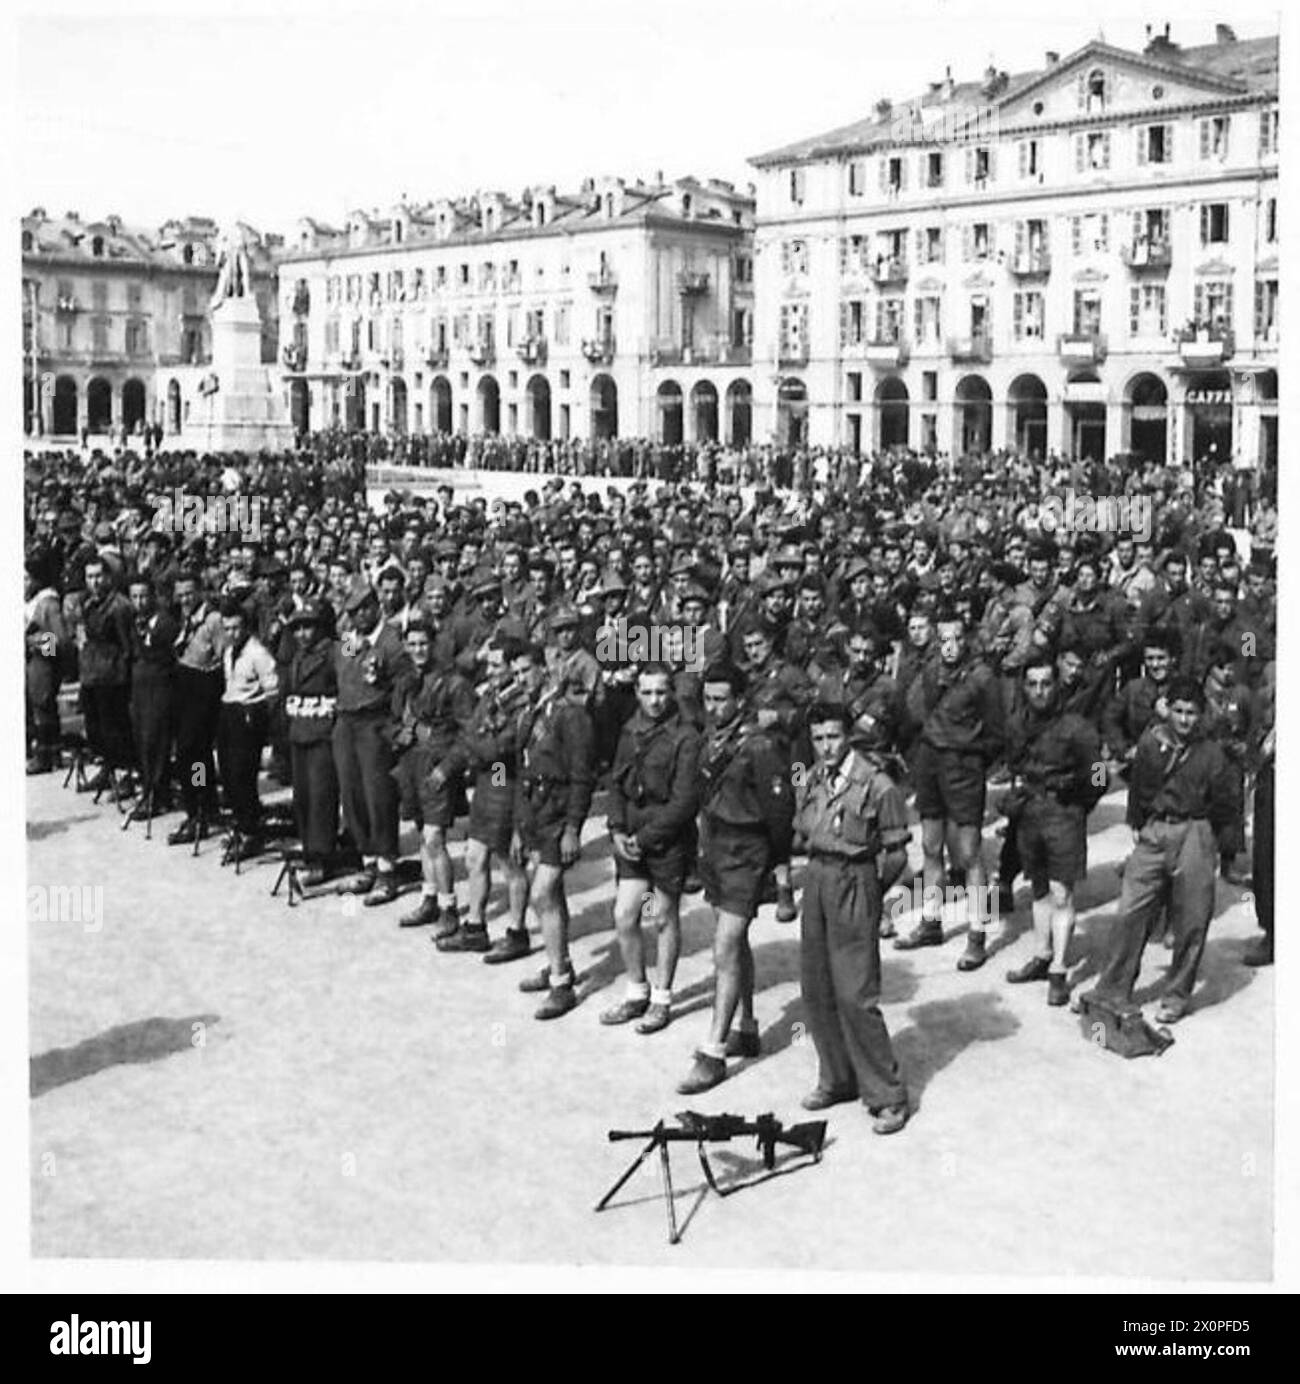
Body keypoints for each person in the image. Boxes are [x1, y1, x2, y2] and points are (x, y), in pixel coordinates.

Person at [1080, 677, 1238, 1025]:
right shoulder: (1152, 742)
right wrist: (1136, 823)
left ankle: (1176, 994)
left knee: (1192, 919)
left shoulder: (1213, 752)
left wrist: (1221, 847)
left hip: (1195, 830)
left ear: (1201, 715)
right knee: (1129, 911)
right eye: (1178, 711)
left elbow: (1228, 801)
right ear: (1169, 710)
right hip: (1155, 829)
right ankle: (1111, 988)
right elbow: (1139, 786)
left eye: (1192, 713)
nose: (1184, 720)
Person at [677, 662, 795, 1095]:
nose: (713, 707)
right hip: (717, 850)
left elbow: (782, 813)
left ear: (740, 700)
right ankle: (746, 1025)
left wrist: (778, 868)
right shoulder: (711, 739)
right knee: (736, 944)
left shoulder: (760, 747)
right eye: (708, 699)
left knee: (724, 945)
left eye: (721, 699)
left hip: (748, 852)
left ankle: (712, 1053)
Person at [794, 701, 910, 1134]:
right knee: (817, 988)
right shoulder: (812, 779)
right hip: (818, 879)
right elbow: (803, 830)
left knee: (856, 994)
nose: (826, 746)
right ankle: (837, 1077)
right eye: (819, 738)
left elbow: (897, 854)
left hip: (855, 879)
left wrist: (872, 895)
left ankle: (887, 1094)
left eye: (834, 737)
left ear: (848, 736)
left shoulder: (878, 785)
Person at [895, 615, 1004, 969]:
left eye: (957, 638)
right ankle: (930, 921)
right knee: (929, 845)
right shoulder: (929, 671)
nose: (951, 646)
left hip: (964, 765)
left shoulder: (983, 677)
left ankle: (978, 933)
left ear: (967, 638)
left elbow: (998, 730)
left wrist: (971, 756)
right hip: (930, 761)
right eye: (944, 639)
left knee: (970, 853)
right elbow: (915, 713)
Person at [1000, 657, 1107, 1006]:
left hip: (1063, 814)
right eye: (1032, 684)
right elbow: (1013, 762)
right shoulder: (1017, 724)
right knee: (1039, 889)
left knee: (1062, 894)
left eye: (1046, 683)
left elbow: (1099, 775)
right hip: (1030, 813)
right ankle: (1042, 954)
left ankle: (1059, 971)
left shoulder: (1077, 727)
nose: (1039, 691)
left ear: (1056, 685)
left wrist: (1078, 805)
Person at [602, 664, 701, 1034]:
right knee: (625, 915)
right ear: (637, 693)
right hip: (630, 837)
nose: (654, 700)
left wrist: (642, 839)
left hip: (667, 840)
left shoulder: (686, 737)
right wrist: (615, 828)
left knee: (663, 918)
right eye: (646, 693)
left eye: (661, 692)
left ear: (671, 692)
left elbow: (684, 802)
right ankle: (636, 989)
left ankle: (662, 999)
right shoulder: (630, 731)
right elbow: (614, 783)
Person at [507, 643, 597, 1019]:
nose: (520, 679)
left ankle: (562, 985)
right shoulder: (530, 713)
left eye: (526, 671)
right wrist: (517, 827)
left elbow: (582, 776)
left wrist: (574, 828)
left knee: (542, 892)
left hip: (560, 815)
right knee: (549, 895)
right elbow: (521, 771)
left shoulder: (571, 715)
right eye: (514, 674)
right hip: (536, 814)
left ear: (545, 670)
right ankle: (557, 962)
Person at [391, 615, 474, 929]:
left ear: (434, 644)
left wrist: (447, 769)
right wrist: (398, 735)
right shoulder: (406, 679)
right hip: (413, 765)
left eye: (423, 644)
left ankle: (449, 908)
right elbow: (392, 720)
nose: (418, 650)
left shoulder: (455, 682)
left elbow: (469, 734)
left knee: (435, 837)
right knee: (423, 835)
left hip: (438, 767)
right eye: (411, 644)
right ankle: (429, 898)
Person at [332, 578, 410, 905]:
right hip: (347, 719)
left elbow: (404, 683)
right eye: (353, 612)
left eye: (364, 609)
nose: (359, 616)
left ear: (376, 606)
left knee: (378, 794)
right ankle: (367, 860)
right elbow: (345, 670)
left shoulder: (391, 641)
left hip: (375, 721)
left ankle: (387, 868)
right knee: (352, 793)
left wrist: (393, 724)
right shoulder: (352, 638)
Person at [282, 598, 340, 886]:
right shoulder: (298, 655)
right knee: (303, 796)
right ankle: (309, 849)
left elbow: (356, 652)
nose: (302, 634)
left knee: (321, 797)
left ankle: (322, 857)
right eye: (297, 628)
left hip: (323, 733)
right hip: (300, 730)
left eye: (308, 627)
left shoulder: (333, 651)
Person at [217, 598, 280, 859]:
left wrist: (261, 721)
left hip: (248, 714)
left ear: (246, 626)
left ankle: (251, 831)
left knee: (244, 774)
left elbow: (273, 690)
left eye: (237, 628)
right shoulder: (229, 651)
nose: (232, 633)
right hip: (229, 712)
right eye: (227, 628)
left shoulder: (258, 653)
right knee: (229, 773)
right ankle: (239, 823)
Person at [168, 571, 227, 845]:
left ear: (200, 591)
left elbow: (222, 657)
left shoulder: (212, 620)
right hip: (184, 685)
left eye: (189, 593)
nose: (185, 599)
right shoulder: (182, 616)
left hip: (204, 688)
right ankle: (206, 803)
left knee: (190, 753)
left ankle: (196, 811)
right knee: (197, 754)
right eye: (180, 594)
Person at [78, 555, 136, 793]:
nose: (95, 581)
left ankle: (125, 776)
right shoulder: (89, 604)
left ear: (108, 577)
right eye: (90, 577)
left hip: (113, 678)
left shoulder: (119, 606)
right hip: (92, 675)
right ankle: (107, 769)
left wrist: (123, 675)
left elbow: (127, 647)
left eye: (98, 576)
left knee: (116, 729)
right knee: (96, 729)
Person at [125, 576, 179, 819]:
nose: (139, 601)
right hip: (140, 689)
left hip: (160, 689)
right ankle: (152, 789)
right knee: (143, 742)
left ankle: (156, 795)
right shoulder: (135, 621)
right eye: (134, 596)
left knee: (155, 742)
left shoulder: (165, 623)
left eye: (143, 596)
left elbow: (170, 658)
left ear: (153, 596)